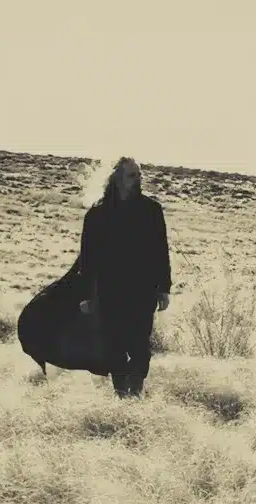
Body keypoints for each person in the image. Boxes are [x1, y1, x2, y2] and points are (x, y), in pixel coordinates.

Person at [76, 156, 172, 398]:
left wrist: (164, 288)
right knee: (113, 347)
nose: (138, 180)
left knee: (140, 347)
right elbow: (87, 260)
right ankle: (122, 395)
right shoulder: (97, 215)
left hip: (143, 290)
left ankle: (136, 391)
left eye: (139, 175)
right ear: (116, 179)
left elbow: (161, 251)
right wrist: (86, 295)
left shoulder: (151, 211)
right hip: (109, 292)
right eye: (132, 175)